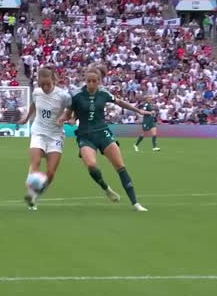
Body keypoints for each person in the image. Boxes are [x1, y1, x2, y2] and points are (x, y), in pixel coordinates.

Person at [59, 65, 149, 212]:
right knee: (91, 165)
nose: (91, 84)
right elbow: (69, 113)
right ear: (85, 80)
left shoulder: (104, 94)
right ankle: (106, 188)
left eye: (94, 81)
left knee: (120, 166)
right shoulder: (76, 96)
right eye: (88, 81)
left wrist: (138, 110)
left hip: (103, 133)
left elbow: (119, 102)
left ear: (99, 81)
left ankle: (135, 203)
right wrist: (64, 119)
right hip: (85, 135)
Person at [18, 67, 71, 210]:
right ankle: (31, 194)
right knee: (35, 162)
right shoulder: (36, 92)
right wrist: (26, 118)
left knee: (51, 172)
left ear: (53, 80)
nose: (46, 87)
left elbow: (72, 110)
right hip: (38, 132)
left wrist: (67, 118)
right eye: (43, 85)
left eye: (48, 84)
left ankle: (36, 192)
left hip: (56, 135)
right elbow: (34, 105)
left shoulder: (63, 96)